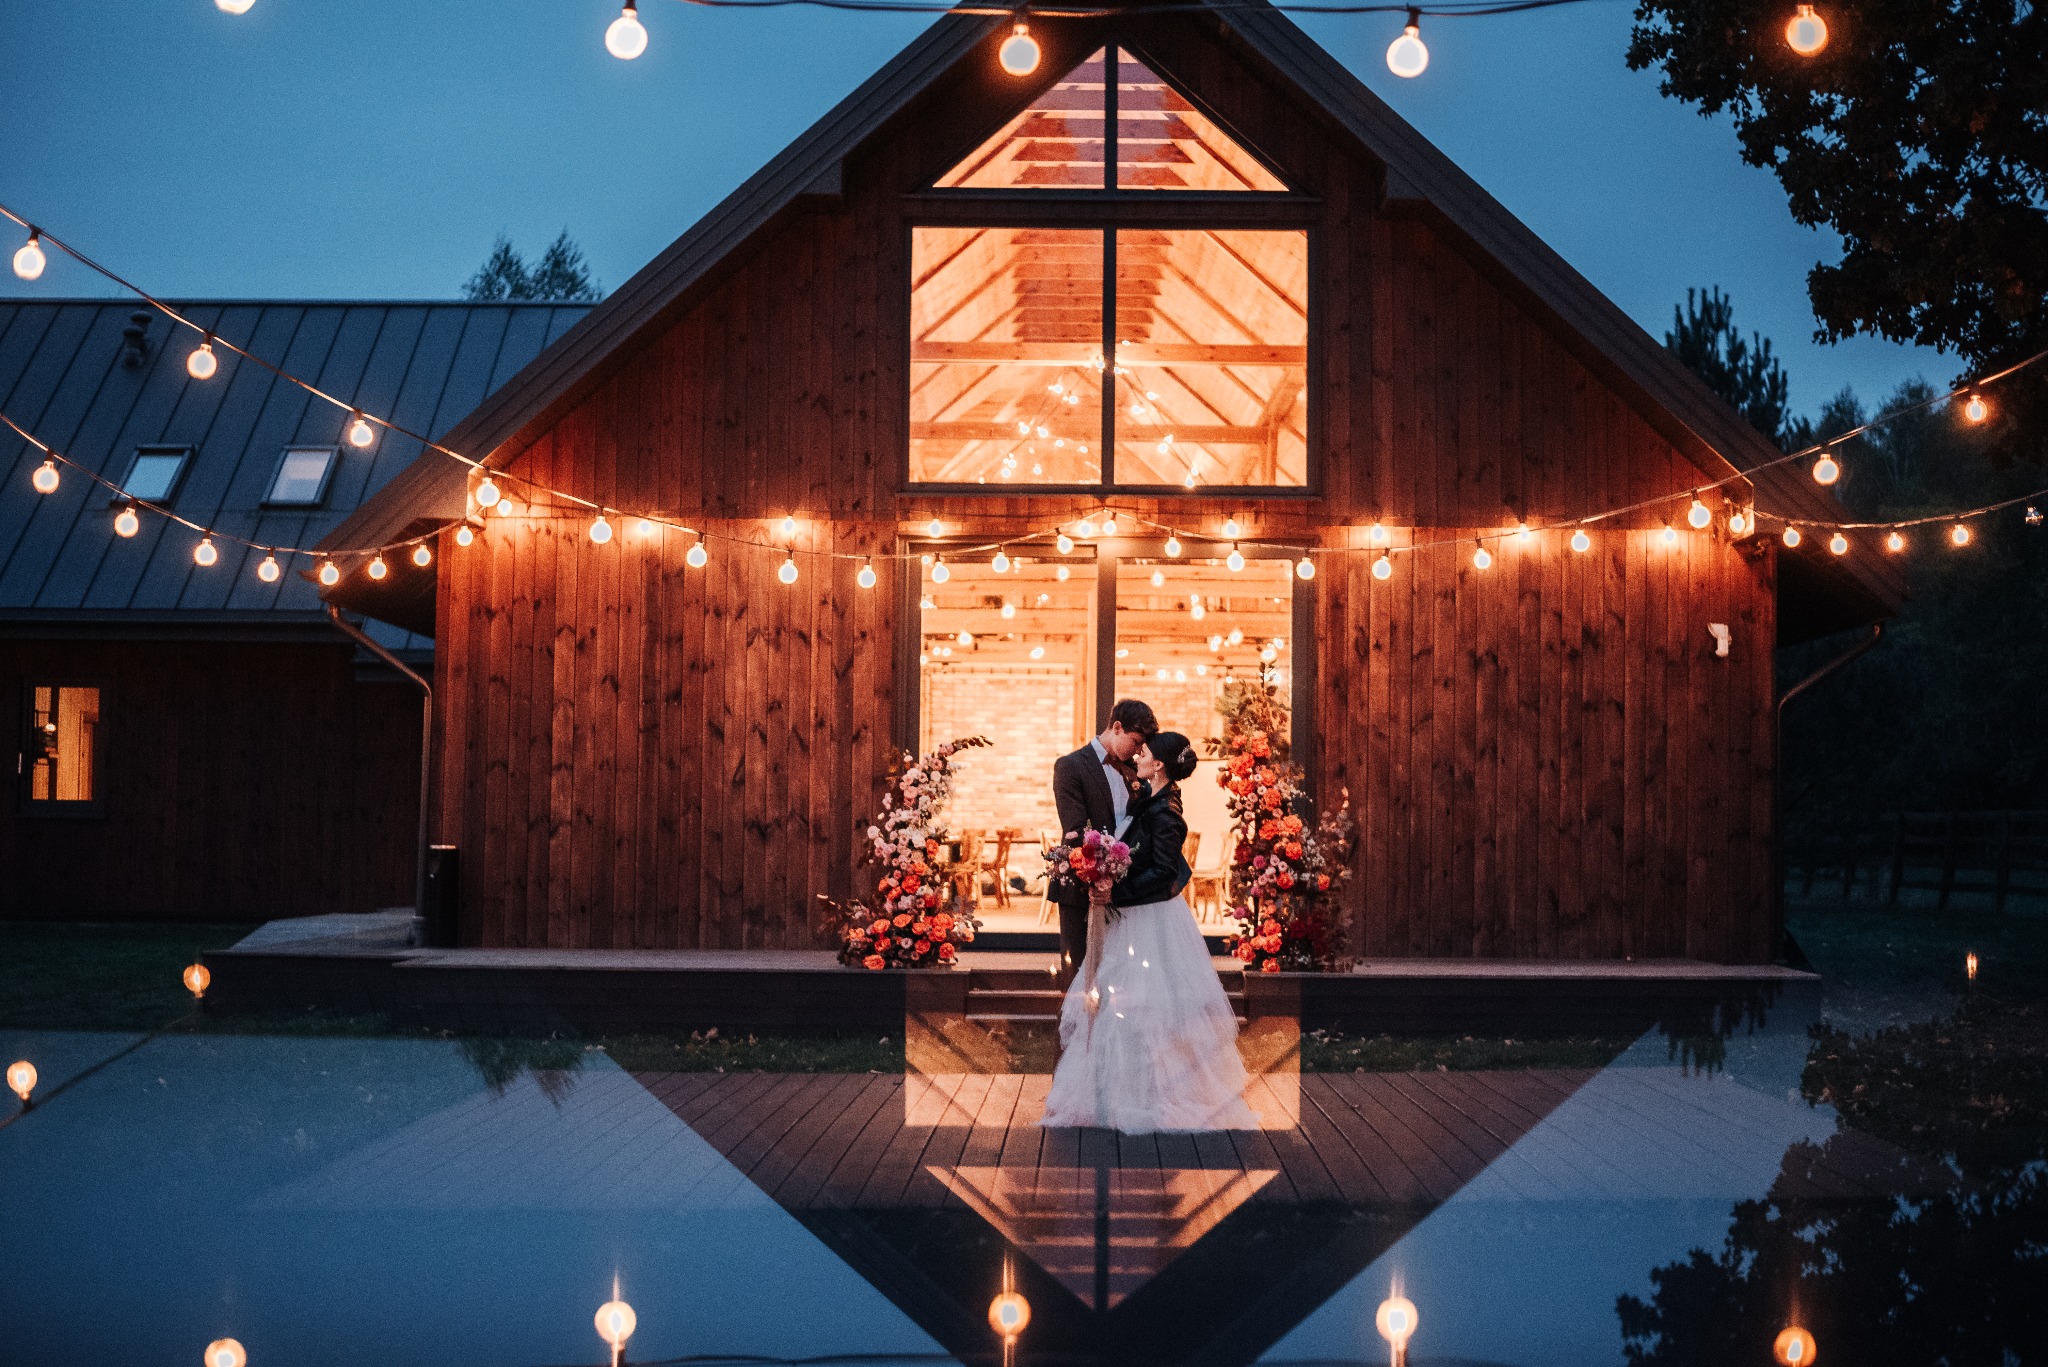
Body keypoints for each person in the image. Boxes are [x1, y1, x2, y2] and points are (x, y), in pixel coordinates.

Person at [1040, 729, 1259, 1133]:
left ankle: (1155, 1095)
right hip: (1136, 917)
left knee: (1151, 1006)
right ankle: (1118, 1091)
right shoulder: (1148, 799)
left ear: (1158, 765)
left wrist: (1116, 890)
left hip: (1151, 919)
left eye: (1144, 752)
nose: (1137, 755)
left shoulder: (1165, 812)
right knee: (1122, 1004)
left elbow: (1163, 871)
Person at [1049, 699, 1155, 982]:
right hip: (1083, 886)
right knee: (1080, 978)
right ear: (1117, 727)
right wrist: (1098, 875)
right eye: (1135, 742)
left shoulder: (1135, 772)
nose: (1137, 751)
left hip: (1124, 892)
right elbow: (1075, 831)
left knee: (1120, 979)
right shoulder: (1070, 766)